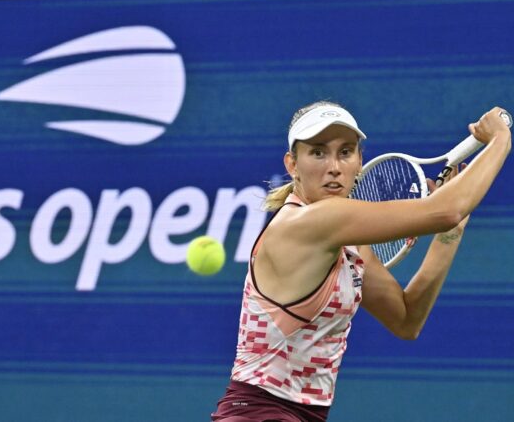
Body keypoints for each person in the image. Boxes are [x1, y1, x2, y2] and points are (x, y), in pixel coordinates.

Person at [211, 101, 511, 421]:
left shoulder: (349, 243)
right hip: (260, 412)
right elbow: (444, 209)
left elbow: (406, 319)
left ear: (359, 162)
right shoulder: (309, 223)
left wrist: (449, 234)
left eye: (345, 152)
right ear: (292, 164)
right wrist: (501, 140)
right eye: (317, 152)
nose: (334, 166)